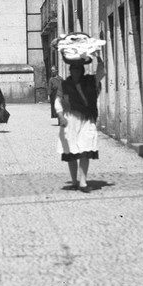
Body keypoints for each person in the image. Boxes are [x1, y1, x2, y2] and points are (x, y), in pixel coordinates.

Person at [55, 61, 100, 192]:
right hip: (71, 120)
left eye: (78, 69)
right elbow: (58, 100)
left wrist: (98, 57)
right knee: (71, 152)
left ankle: (83, 182)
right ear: (70, 70)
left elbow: (101, 73)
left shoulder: (89, 82)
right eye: (74, 69)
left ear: (82, 70)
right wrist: (60, 116)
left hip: (86, 120)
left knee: (86, 150)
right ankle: (74, 181)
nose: (76, 71)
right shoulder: (64, 84)